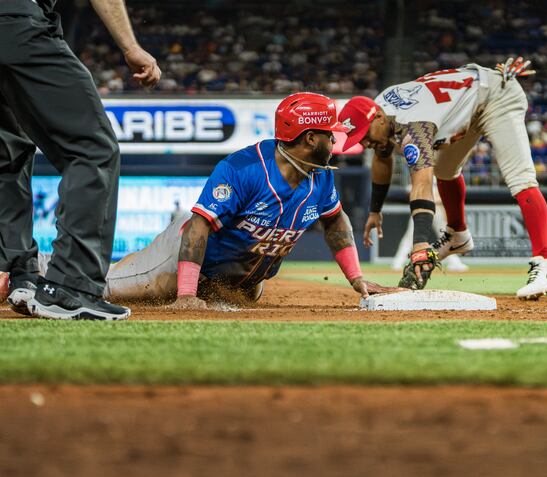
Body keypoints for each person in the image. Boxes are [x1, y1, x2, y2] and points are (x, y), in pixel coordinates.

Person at [10, 93, 395, 309]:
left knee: (243, 297)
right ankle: (25, 272)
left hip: (239, 279)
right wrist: (187, 295)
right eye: (331, 133)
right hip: (181, 259)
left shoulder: (320, 176)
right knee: (105, 286)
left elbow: (335, 221)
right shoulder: (244, 168)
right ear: (310, 138)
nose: (337, 141)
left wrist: (357, 279)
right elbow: (198, 226)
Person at [339, 57, 547, 300]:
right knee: (445, 172)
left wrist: (421, 244)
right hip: (468, 102)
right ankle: (457, 235)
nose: (364, 142)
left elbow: (422, 184)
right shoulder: (380, 110)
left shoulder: (413, 125)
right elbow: (382, 158)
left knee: (521, 179)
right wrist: (375, 210)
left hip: (497, 97)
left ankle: (546, 265)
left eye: (364, 134)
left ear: (379, 119)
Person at [1, 0, 160, 320]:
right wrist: (131, 47)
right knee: (92, 150)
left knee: (8, 156)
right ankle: (72, 287)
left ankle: (21, 275)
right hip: (19, 22)